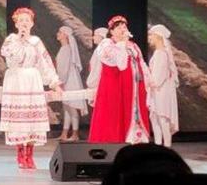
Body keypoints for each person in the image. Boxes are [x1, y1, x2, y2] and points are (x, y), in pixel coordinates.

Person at [0, 7, 62, 170]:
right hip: (16, 80)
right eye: (21, 20)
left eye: (27, 20)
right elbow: (8, 55)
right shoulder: (11, 40)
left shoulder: (36, 41)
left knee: (32, 120)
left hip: (32, 80)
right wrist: (20, 40)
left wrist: (54, 82)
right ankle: (20, 154)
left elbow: (45, 62)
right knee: (19, 120)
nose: (24, 23)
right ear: (16, 24)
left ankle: (30, 155)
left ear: (32, 23)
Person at [87, 16, 151, 145]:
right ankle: (116, 143)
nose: (123, 29)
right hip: (114, 87)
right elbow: (121, 64)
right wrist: (122, 44)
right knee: (114, 115)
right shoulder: (107, 44)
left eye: (124, 27)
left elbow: (141, 64)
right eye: (119, 27)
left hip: (134, 88)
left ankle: (137, 141)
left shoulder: (133, 45)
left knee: (135, 112)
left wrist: (148, 81)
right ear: (111, 31)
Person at [146, 24, 180, 148]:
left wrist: (150, 81)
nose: (149, 37)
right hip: (157, 90)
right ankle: (159, 145)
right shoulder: (159, 53)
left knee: (162, 118)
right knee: (156, 118)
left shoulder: (161, 54)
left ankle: (165, 145)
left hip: (161, 90)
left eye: (151, 35)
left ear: (158, 36)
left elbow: (159, 76)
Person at [54, 26, 87, 142]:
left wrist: (60, 82)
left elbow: (64, 69)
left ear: (65, 35)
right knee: (67, 108)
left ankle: (75, 134)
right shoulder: (64, 48)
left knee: (72, 107)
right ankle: (64, 133)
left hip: (69, 81)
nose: (57, 34)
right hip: (66, 81)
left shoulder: (67, 49)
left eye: (60, 32)